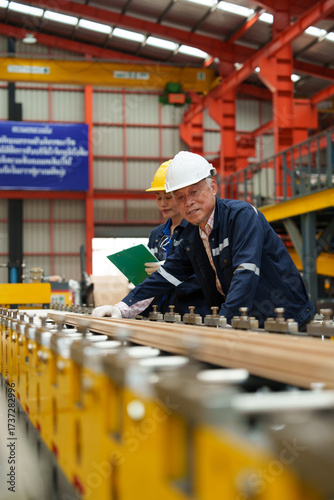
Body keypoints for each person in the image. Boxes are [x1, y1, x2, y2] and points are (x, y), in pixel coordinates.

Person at [93, 151, 314, 329]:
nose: (188, 202)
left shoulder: (241, 216)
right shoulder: (193, 236)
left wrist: (225, 322)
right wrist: (122, 308)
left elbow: (246, 272)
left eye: (194, 192)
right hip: (248, 324)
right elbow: (165, 276)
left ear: (213, 188)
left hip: (287, 320)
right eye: (180, 197)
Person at [109, 159, 210, 319]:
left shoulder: (196, 231)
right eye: (158, 198)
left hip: (191, 312)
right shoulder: (157, 235)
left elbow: (206, 275)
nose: (163, 204)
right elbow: (151, 280)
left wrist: (168, 272)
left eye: (168, 197)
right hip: (159, 311)